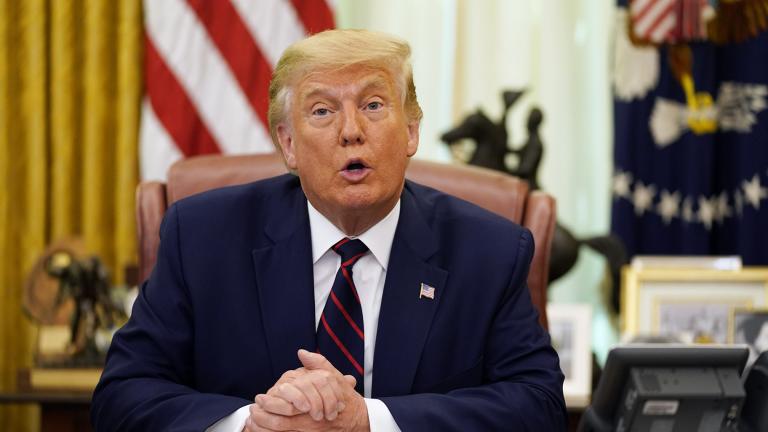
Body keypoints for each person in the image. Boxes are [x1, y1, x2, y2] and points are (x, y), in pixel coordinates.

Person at [91, 29, 566, 431]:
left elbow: (540, 404)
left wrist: (370, 420)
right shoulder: (202, 237)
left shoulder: (488, 250)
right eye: (322, 110)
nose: (351, 131)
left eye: (374, 104)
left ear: (412, 131)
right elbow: (122, 396)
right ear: (289, 144)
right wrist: (252, 422)